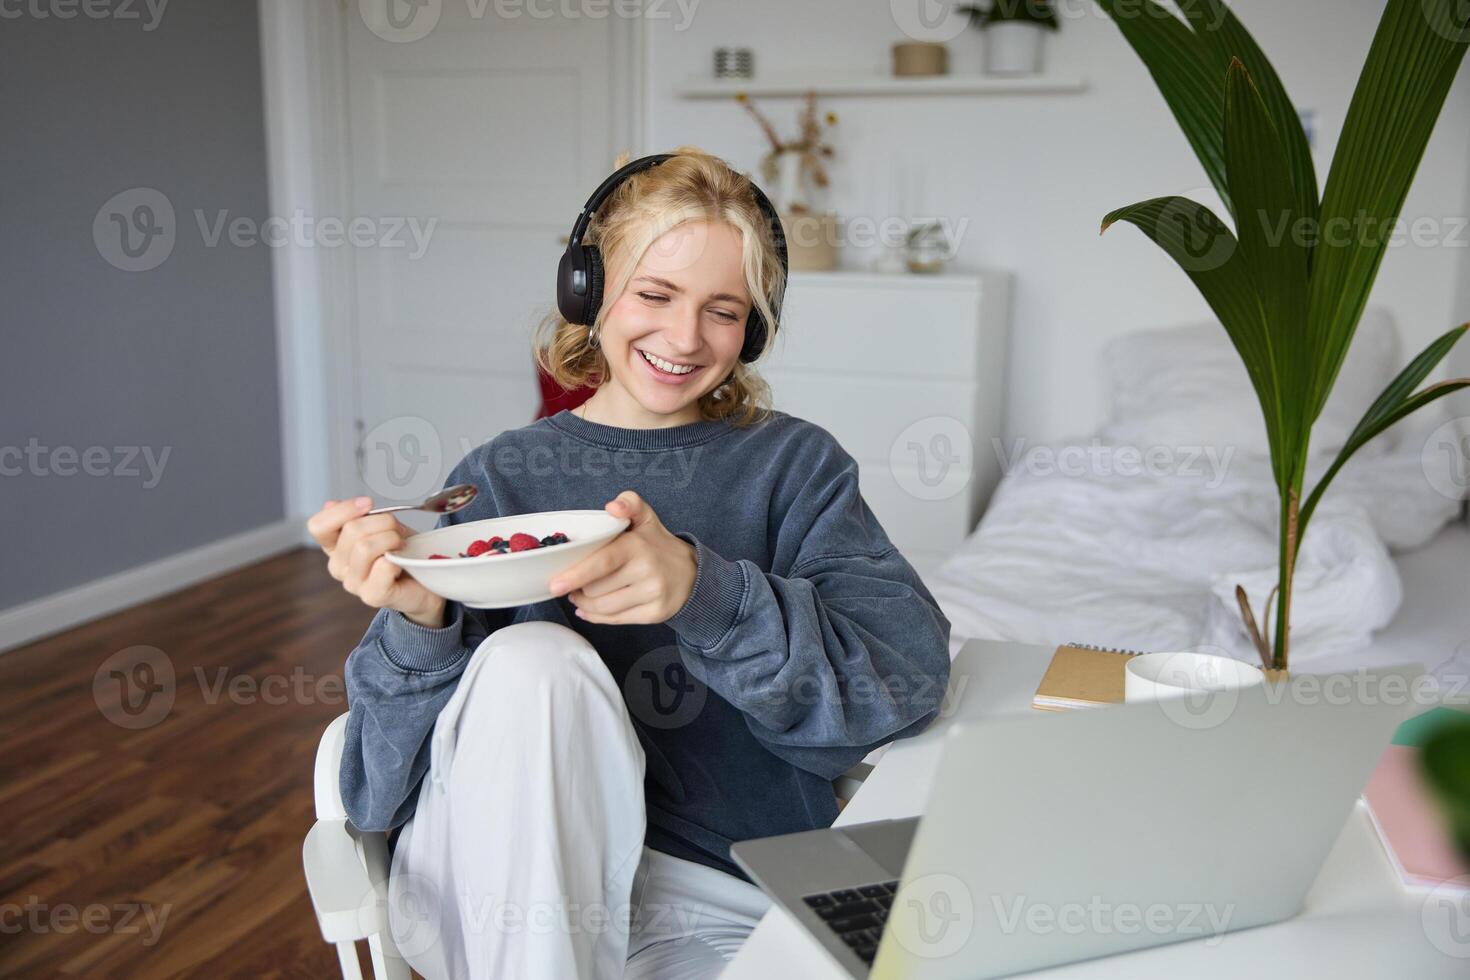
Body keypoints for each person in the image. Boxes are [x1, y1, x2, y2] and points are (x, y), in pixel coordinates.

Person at [306, 147, 953, 979]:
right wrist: (417, 622)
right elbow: (371, 794)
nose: (684, 337)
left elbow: (903, 691)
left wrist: (706, 594)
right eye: (654, 294)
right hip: (497, 890)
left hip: (719, 892)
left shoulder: (794, 467)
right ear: (588, 291)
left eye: (723, 310)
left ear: (753, 327)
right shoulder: (501, 477)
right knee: (535, 658)